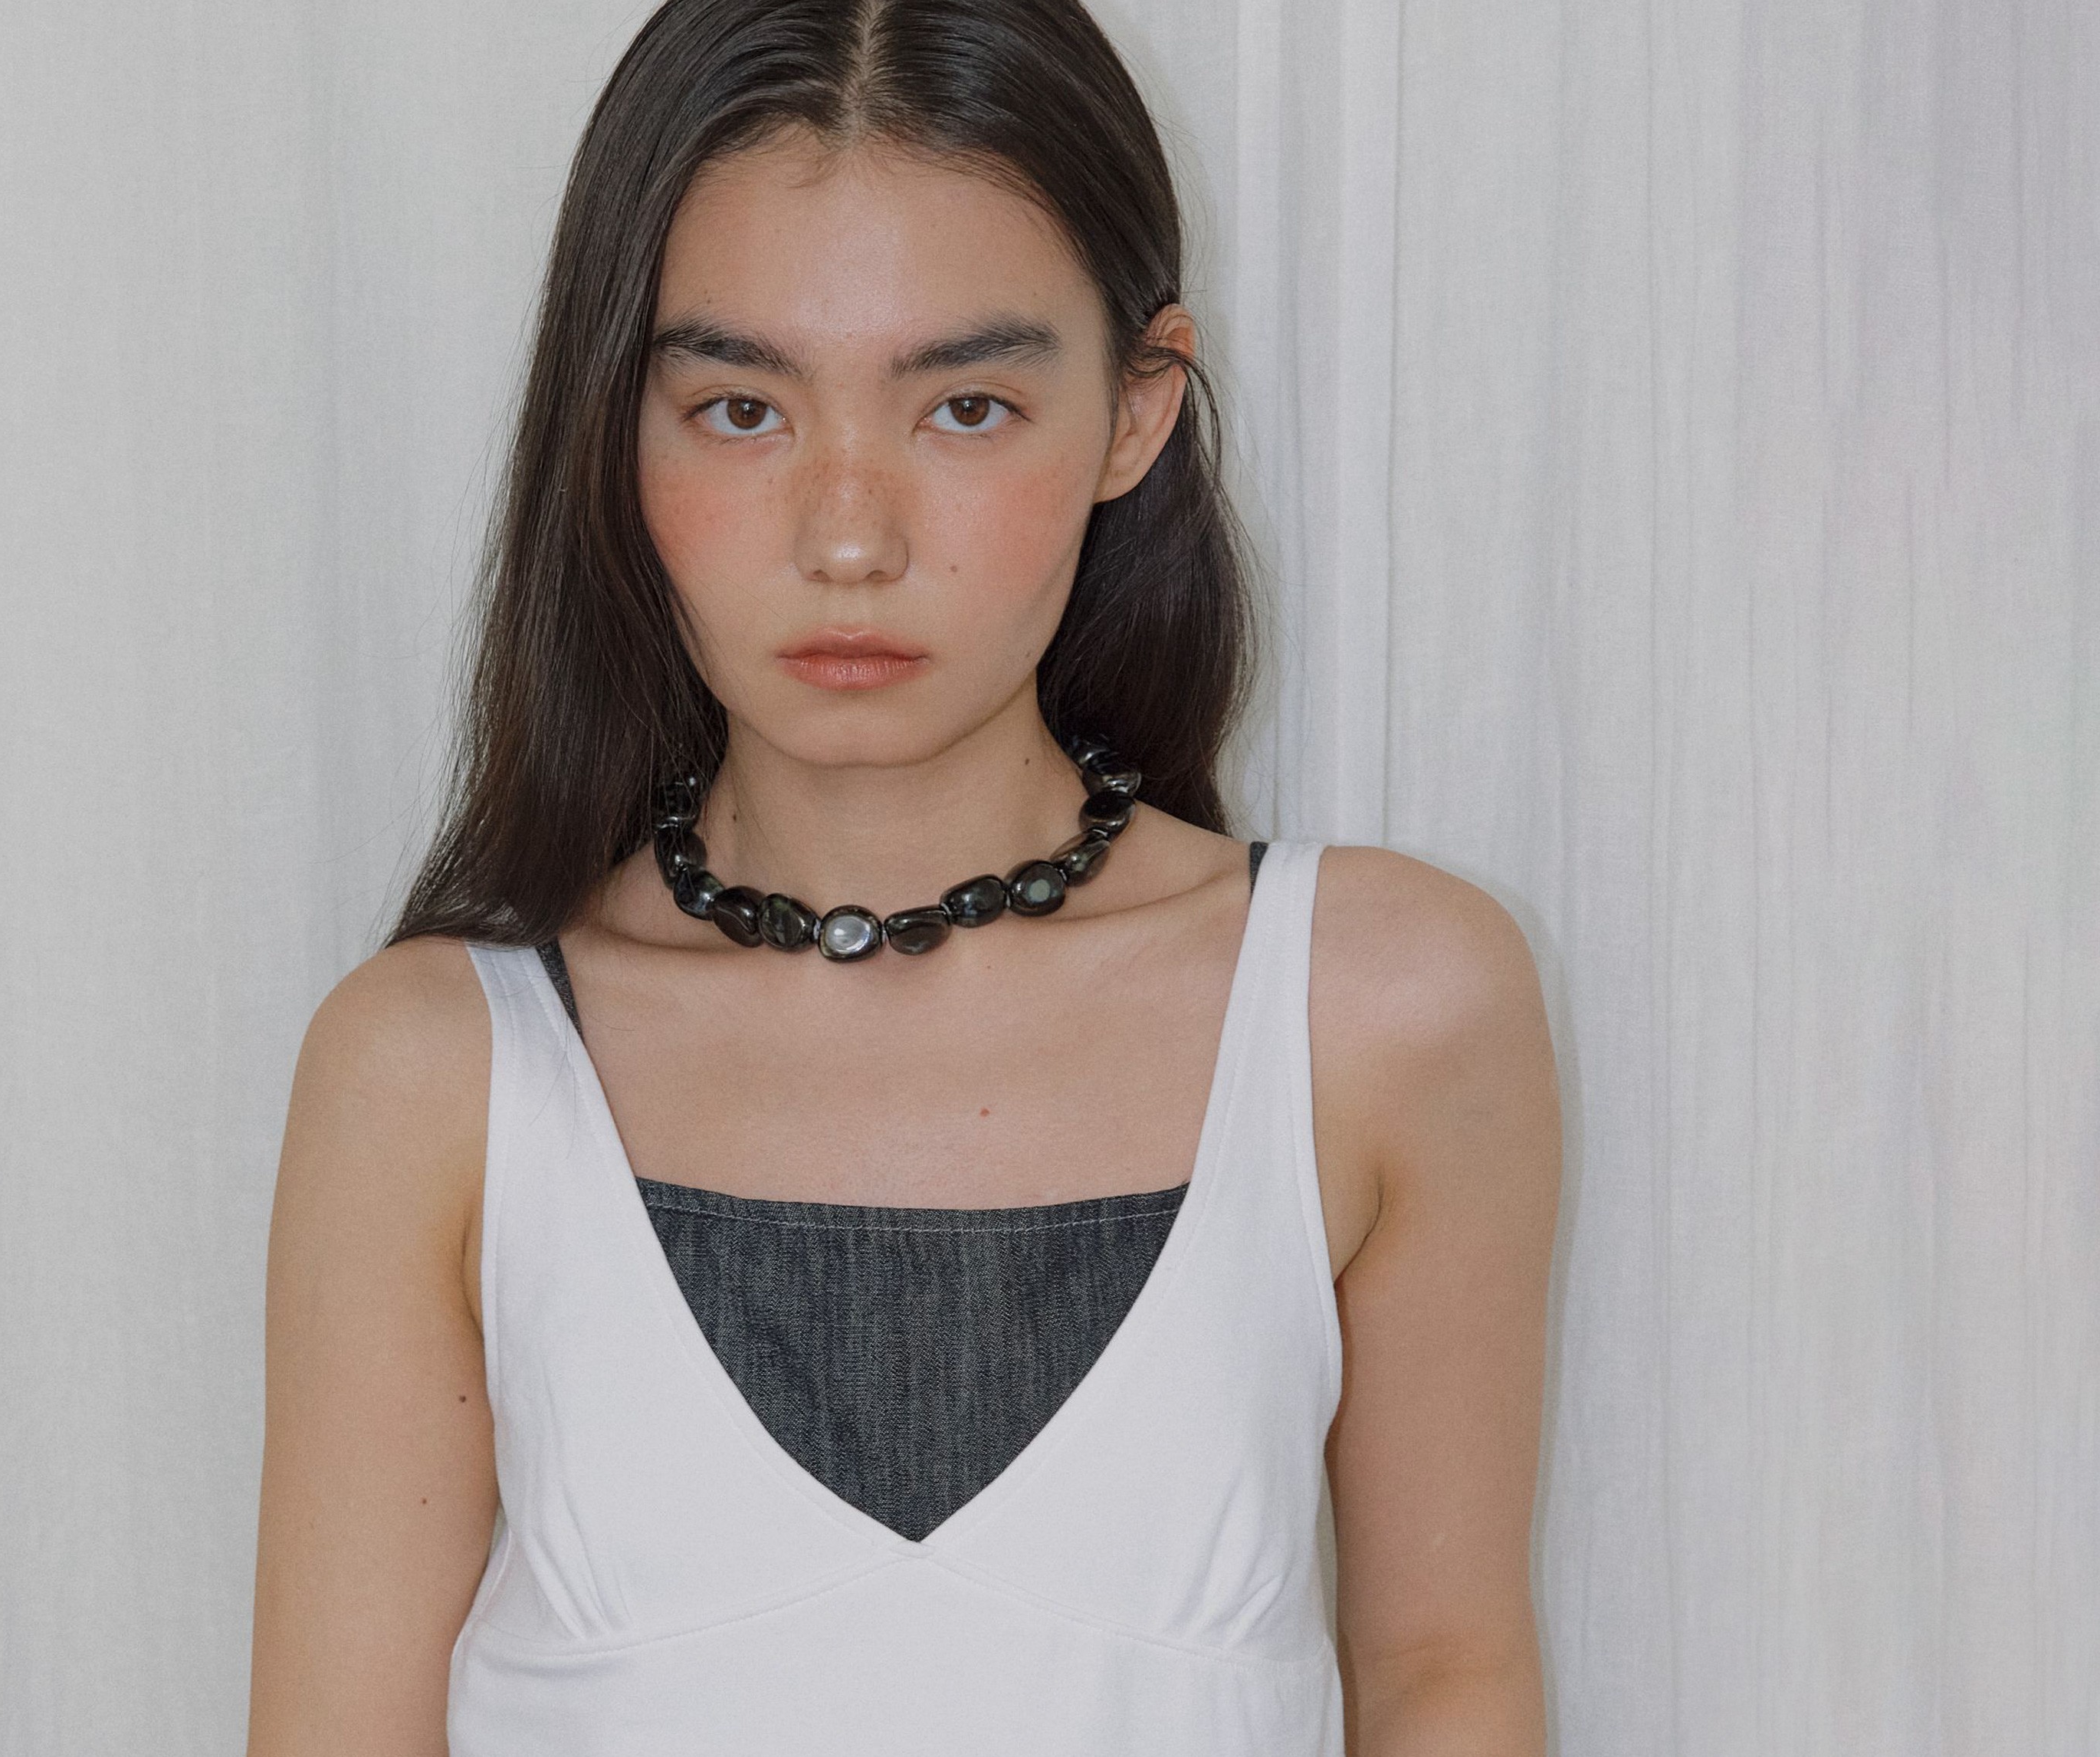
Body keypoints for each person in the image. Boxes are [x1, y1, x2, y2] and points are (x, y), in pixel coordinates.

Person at [246, 2, 1560, 1752]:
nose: (849, 537)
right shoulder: (431, 1073)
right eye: (739, 409)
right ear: (615, 423)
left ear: (1136, 409)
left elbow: (1445, 1677)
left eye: (965, 407)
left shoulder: (1380, 1010)